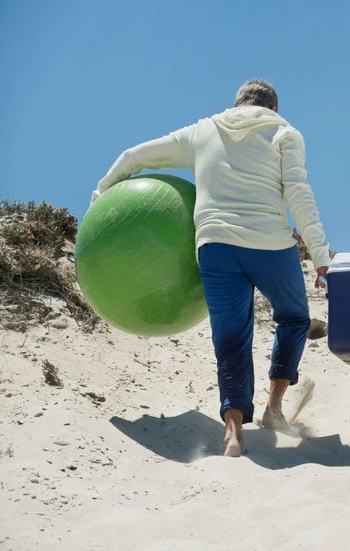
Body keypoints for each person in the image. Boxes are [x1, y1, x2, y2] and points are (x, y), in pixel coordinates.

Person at [91, 79, 331, 457]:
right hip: (269, 244)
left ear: (235, 105)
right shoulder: (284, 132)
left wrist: (101, 195)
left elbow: (134, 156)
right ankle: (273, 409)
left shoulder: (203, 130)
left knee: (231, 338)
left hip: (216, 247)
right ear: (271, 109)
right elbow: (299, 193)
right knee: (295, 318)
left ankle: (234, 433)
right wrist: (320, 256)